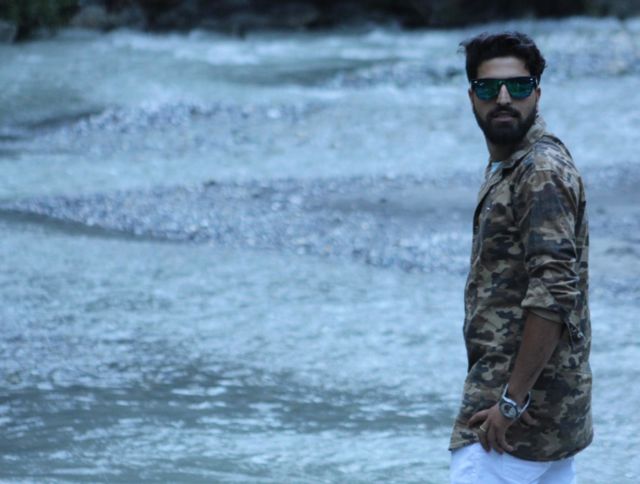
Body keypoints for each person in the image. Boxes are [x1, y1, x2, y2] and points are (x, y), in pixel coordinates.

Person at [449, 32, 592, 483]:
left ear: (538, 93)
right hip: (548, 417)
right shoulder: (513, 163)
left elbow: (554, 292)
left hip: (508, 422)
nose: (504, 99)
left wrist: (510, 402)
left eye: (519, 86)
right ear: (472, 97)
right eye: (489, 88)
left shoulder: (539, 171)